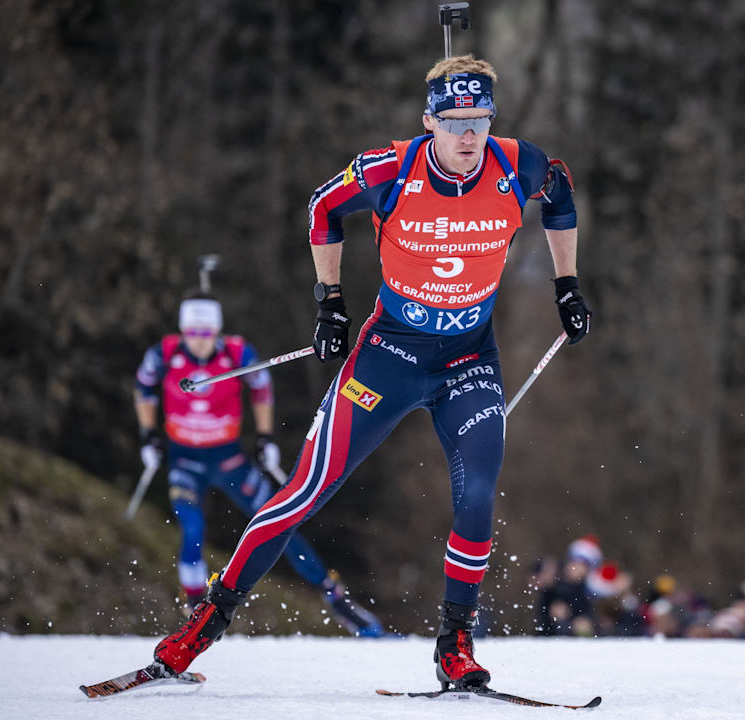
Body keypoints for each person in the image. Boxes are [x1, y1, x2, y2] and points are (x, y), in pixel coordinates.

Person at [150, 54, 592, 690]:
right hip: (389, 356)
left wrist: (568, 287)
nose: (469, 136)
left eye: (480, 120)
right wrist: (329, 301)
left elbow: (561, 198)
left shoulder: (519, 164)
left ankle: (454, 647)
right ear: (428, 121)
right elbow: (322, 210)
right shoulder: (392, 168)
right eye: (455, 121)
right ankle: (203, 626)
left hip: (470, 359)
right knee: (305, 490)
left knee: (475, 497)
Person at [134, 292, 383, 636]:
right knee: (192, 531)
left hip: (229, 460)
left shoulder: (236, 353)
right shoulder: (164, 354)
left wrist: (265, 439)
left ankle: (335, 597)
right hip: (186, 462)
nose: (200, 341)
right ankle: (194, 613)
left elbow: (262, 389)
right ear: (183, 331)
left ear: (217, 333)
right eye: (193, 333)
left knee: (279, 521)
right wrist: (148, 435)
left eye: (207, 334)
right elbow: (143, 389)